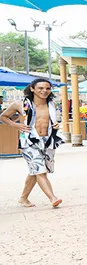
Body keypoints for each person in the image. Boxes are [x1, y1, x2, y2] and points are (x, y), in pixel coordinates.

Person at [0, 79, 63, 208]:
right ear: (32, 89)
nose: (44, 91)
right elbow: (3, 117)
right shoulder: (21, 104)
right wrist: (16, 125)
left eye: (47, 88)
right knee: (40, 171)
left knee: (35, 170)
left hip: (47, 141)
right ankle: (53, 198)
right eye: (40, 88)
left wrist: (55, 125)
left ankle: (23, 198)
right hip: (29, 142)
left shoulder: (52, 104)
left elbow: (51, 121)